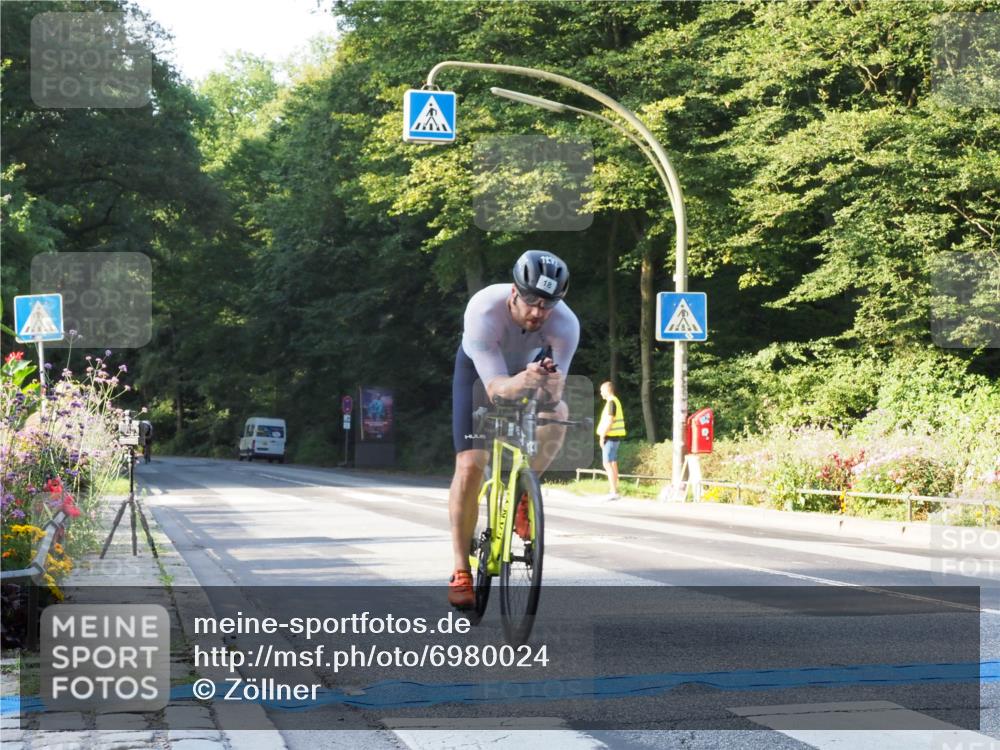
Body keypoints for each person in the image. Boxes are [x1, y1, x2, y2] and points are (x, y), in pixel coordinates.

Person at [448, 250, 579, 609]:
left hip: (526, 371)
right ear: (513, 293)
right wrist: (522, 379)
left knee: (558, 415)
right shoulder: (483, 310)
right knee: (471, 464)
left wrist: (548, 381)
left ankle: (524, 489)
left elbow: (556, 394)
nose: (538, 312)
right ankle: (460, 568)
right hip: (481, 375)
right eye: (532, 302)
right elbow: (495, 391)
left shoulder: (566, 325)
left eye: (548, 305)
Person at [596, 382, 626, 499]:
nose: (601, 393)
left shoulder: (611, 402)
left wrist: (602, 436)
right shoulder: (614, 401)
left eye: (601, 391)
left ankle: (613, 492)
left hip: (610, 437)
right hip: (614, 437)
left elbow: (610, 420)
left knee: (607, 463)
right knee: (613, 463)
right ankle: (614, 489)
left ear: (607, 390)